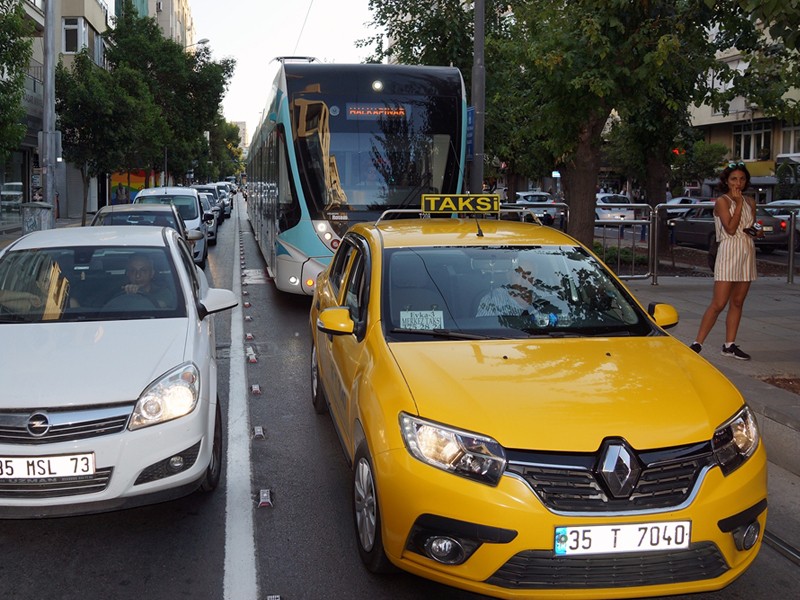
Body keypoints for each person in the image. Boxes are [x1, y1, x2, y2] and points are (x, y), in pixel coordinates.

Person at [689, 161, 762, 360]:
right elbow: (730, 228)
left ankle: (729, 345)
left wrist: (757, 231)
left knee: (738, 302)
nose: (738, 183)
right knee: (719, 302)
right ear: (727, 181)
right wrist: (737, 204)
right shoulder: (723, 201)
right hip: (729, 250)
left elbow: (751, 225)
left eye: (742, 179)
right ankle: (697, 343)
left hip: (746, 250)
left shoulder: (751, 202)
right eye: (734, 179)